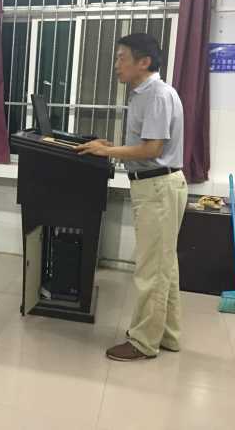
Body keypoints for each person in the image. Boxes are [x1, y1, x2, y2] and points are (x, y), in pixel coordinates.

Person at [75, 33, 186, 362]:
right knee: (165, 266)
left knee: (151, 269)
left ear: (144, 62)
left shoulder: (157, 95)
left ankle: (143, 342)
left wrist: (107, 152)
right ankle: (166, 335)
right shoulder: (141, 95)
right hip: (154, 186)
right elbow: (144, 145)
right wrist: (112, 147)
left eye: (122, 58)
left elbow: (152, 149)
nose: (116, 65)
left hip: (158, 187)